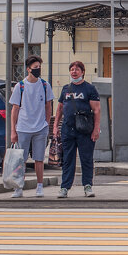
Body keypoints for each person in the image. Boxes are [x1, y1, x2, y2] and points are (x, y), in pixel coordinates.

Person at [53, 60, 100, 198]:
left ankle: (87, 186)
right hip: (68, 129)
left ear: (83, 72)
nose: (74, 72)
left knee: (86, 158)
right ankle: (64, 187)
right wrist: (56, 126)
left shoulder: (89, 89)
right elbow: (60, 108)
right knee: (68, 159)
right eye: (72, 69)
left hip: (85, 130)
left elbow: (97, 110)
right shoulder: (66, 89)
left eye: (77, 69)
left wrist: (96, 129)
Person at [9, 55, 53, 198]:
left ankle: (39, 186)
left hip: (40, 128)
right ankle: (18, 187)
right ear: (28, 69)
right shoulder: (20, 86)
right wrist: (13, 131)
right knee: (20, 159)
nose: (38, 70)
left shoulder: (45, 85)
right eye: (35, 68)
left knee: (39, 159)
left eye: (39, 68)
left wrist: (46, 123)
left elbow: (48, 106)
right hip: (23, 128)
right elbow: (15, 109)